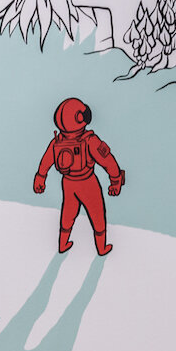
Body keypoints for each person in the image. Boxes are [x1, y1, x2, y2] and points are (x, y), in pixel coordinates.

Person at [33, 97, 125, 256]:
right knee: (97, 214)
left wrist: (40, 177)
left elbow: (46, 161)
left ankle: (63, 244)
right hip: (87, 182)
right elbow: (107, 160)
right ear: (81, 118)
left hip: (68, 183)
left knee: (68, 213)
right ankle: (101, 248)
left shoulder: (57, 141)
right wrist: (115, 180)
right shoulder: (90, 141)